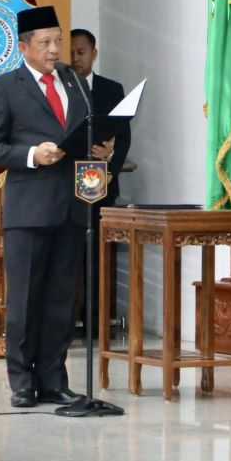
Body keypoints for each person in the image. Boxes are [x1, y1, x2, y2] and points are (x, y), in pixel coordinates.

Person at [0, 6, 116, 408]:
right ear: (24, 47)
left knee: (60, 300)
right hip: (28, 210)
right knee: (24, 299)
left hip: (72, 207)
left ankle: (54, 378)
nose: (56, 50)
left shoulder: (75, 83)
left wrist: (103, 152)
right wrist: (31, 154)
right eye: (47, 43)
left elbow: (85, 132)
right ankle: (22, 381)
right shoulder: (5, 86)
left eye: (58, 41)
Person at [69, 28, 129, 332]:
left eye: (81, 51)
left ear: (94, 53)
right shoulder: (61, 87)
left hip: (99, 179)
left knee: (97, 251)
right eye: (71, 52)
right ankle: (67, 320)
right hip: (67, 183)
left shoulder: (111, 89)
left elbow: (124, 136)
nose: (76, 57)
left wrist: (111, 157)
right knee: (69, 251)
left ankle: (95, 320)